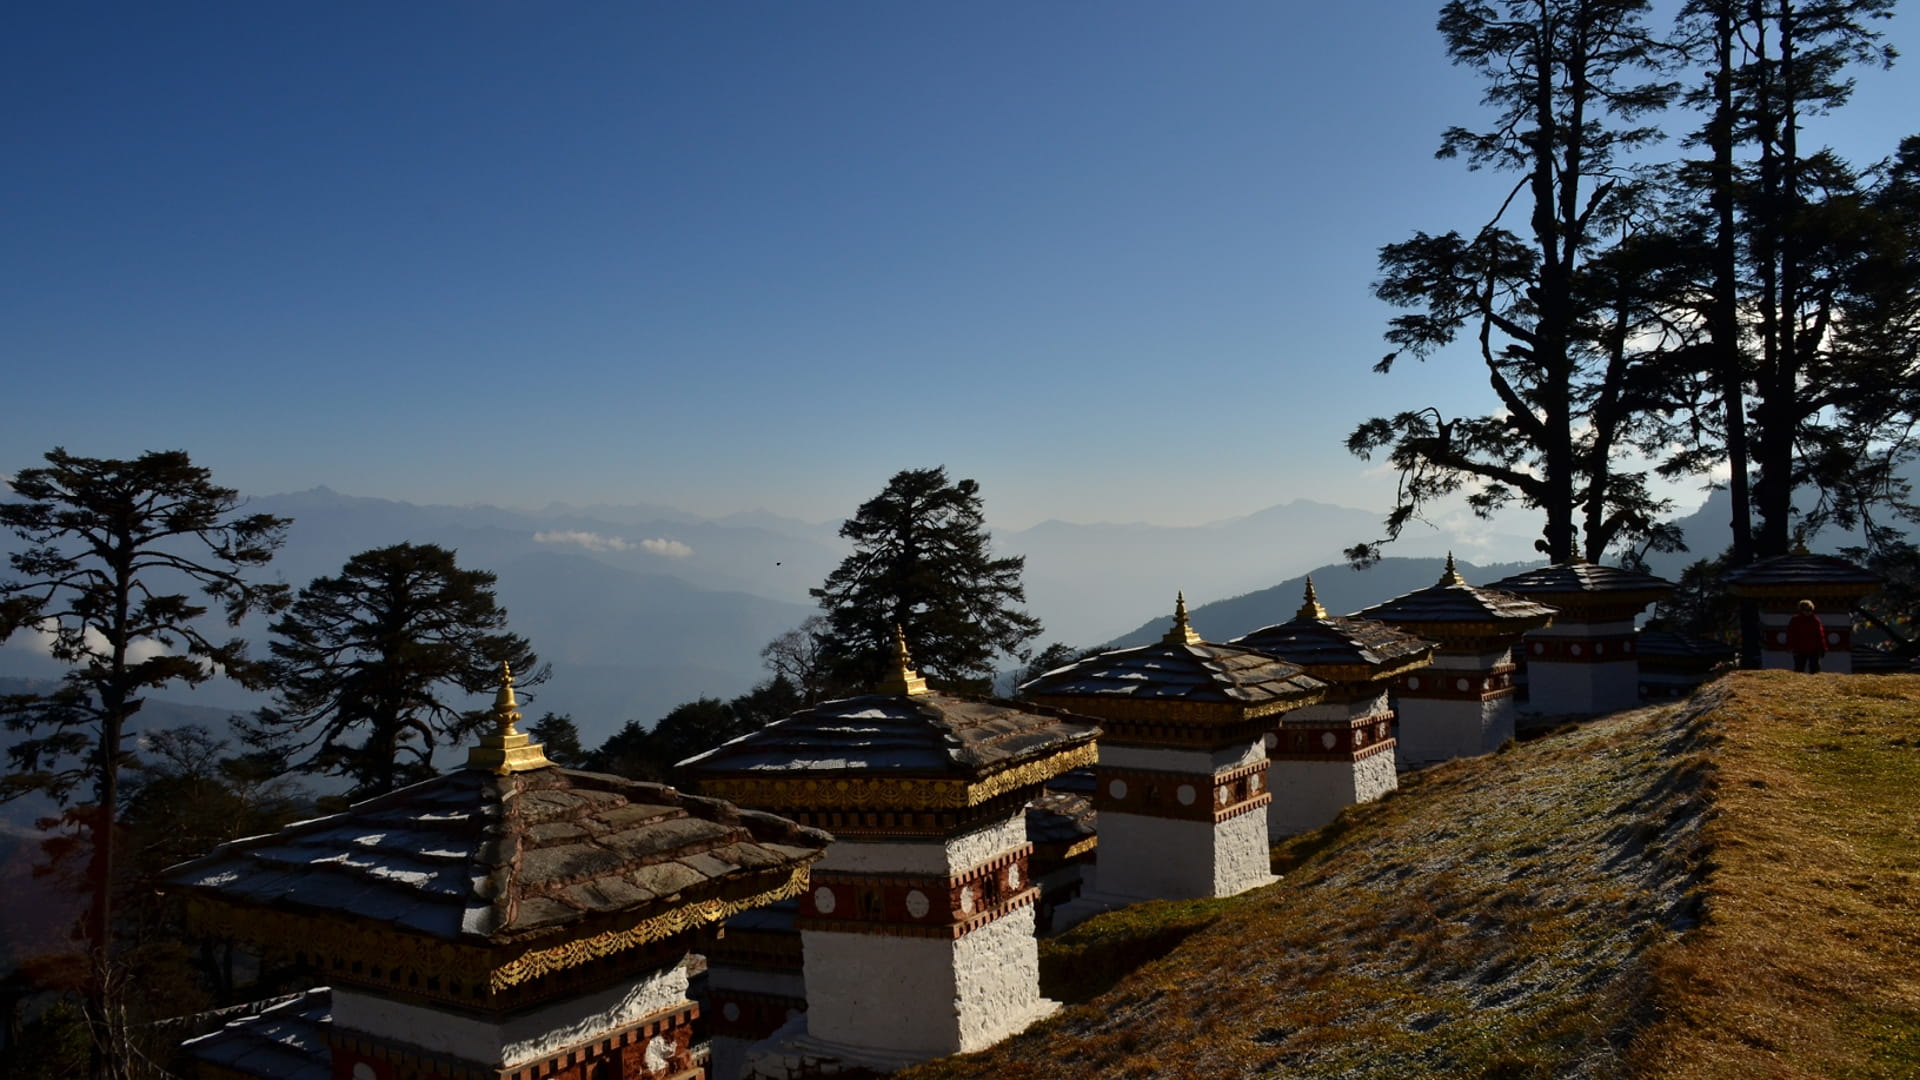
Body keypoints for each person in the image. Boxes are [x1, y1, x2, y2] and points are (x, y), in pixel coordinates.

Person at [1785, 599, 1828, 674]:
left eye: (1810, 610)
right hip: (1799, 648)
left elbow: (1820, 635)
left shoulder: (1815, 621)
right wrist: (1790, 646)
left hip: (1813, 649)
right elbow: (1791, 635)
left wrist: (1823, 648)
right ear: (1801, 610)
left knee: (1814, 670)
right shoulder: (1795, 620)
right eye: (1806, 610)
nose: (1808, 612)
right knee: (1799, 669)